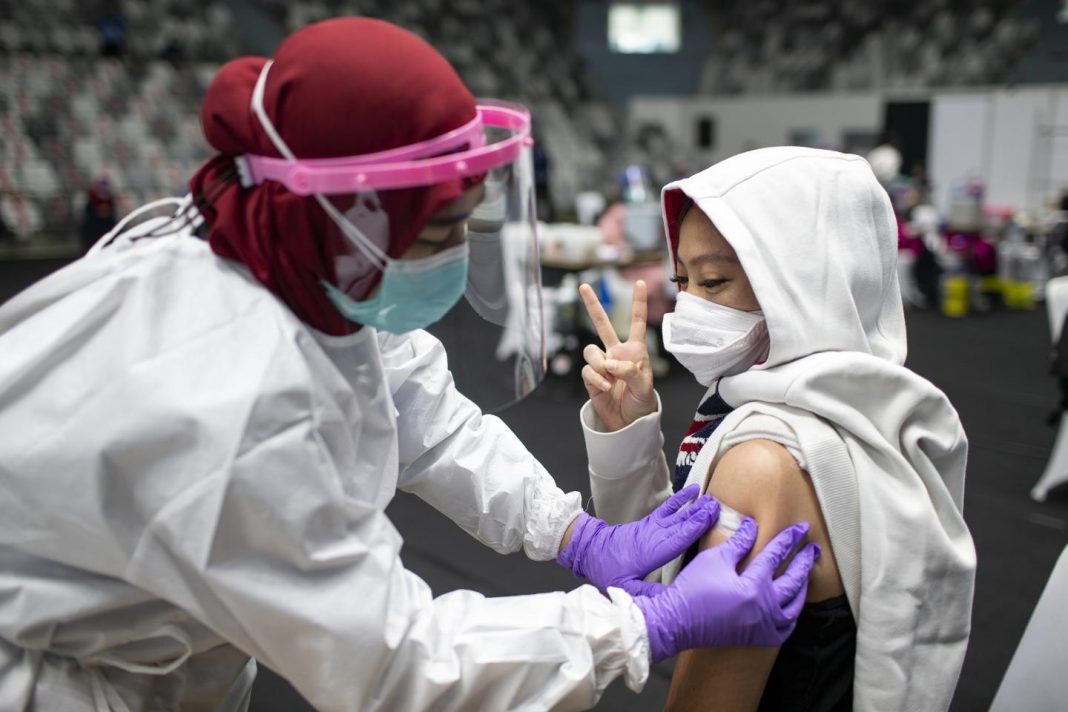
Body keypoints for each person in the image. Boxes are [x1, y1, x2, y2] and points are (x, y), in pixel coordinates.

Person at [0, 19, 818, 711]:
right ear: (339, 216)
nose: (457, 257)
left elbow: (420, 413)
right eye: (434, 237)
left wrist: (570, 529)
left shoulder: (277, 252)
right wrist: (642, 625)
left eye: (465, 225)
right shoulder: (227, 400)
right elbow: (393, 664)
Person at [578, 147, 977, 710]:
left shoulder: (762, 459)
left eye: (713, 281)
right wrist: (631, 432)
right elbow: (661, 560)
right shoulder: (874, 411)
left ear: (807, 282)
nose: (686, 306)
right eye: (682, 280)